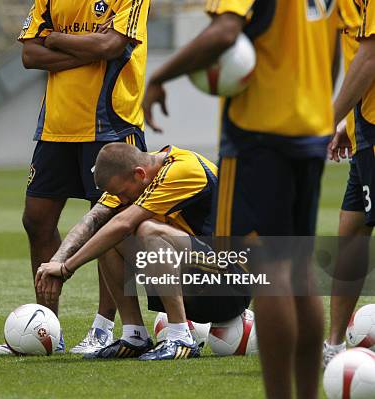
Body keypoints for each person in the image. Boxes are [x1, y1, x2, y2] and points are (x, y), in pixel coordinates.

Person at [142, 1, 338, 397]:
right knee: (298, 271)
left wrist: (160, 75)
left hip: (258, 135)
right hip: (310, 128)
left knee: (270, 275)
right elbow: (331, 52)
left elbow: (223, 33)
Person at [0, 0, 150, 355]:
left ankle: (104, 328)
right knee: (36, 220)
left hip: (110, 127)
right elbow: (30, 55)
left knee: (109, 225)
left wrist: (56, 39)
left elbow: (112, 46)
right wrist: (90, 51)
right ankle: (48, 329)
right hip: (56, 128)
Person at [37, 143, 251, 360]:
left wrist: (66, 268)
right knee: (107, 229)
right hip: (196, 283)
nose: (120, 200)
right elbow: (93, 220)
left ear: (139, 174)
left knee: (145, 230)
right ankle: (135, 336)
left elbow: (124, 223)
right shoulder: (133, 174)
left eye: (121, 193)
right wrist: (55, 263)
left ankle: (180, 337)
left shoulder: (184, 169)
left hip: (231, 285)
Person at [324, 0, 375, 366]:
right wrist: (347, 123)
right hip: (363, 132)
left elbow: (371, 58)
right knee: (351, 238)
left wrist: (328, 118)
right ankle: (334, 346)